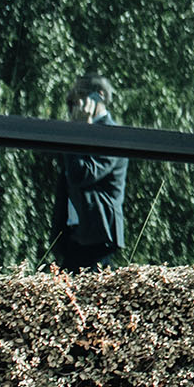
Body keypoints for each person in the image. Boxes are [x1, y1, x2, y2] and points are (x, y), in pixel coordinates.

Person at [51, 74, 127, 271]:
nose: (74, 104)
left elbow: (81, 174)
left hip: (97, 237)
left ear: (99, 96)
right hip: (72, 236)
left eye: (79, 97)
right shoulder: (83, 128)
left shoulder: (113, 134)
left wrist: (80, 129)